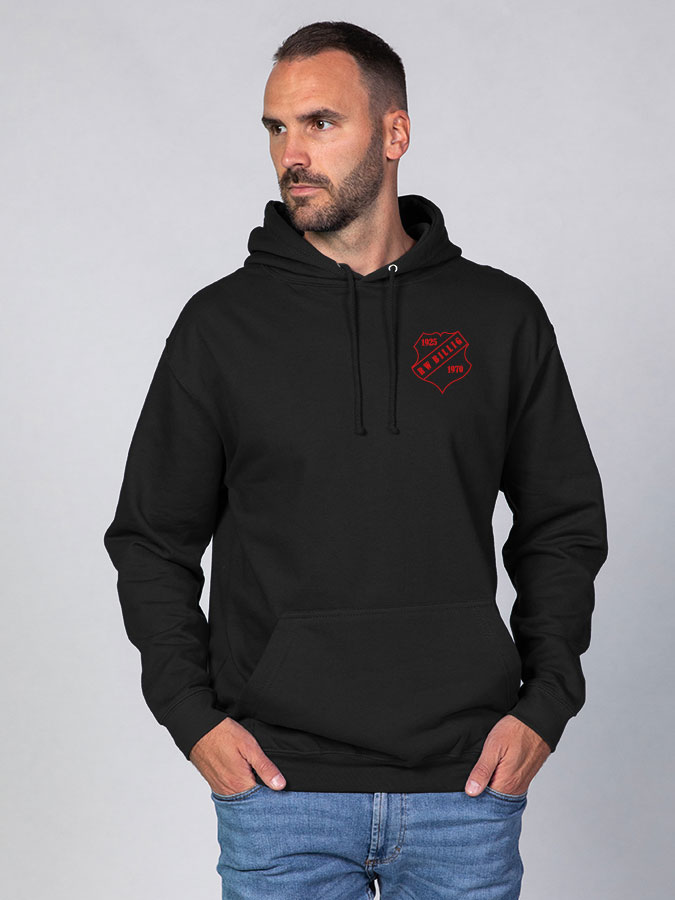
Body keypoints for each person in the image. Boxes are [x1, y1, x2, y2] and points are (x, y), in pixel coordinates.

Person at [103, 20, 609, 900]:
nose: (290, 155)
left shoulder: (499, 317)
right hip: (280, 792)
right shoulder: (220, 328)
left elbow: (561, 524)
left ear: (393, 132)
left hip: (464, 788)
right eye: (276, 128)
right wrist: (192, 720)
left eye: (320, 123)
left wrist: (545, 704)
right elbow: (151, 539)